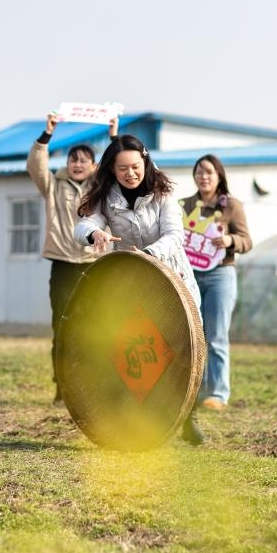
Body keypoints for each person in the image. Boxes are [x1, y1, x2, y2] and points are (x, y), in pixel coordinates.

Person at [74, 135, 205, 445]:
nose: (130, 173)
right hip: (131, 285)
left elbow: (175, 237)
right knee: (132, 347)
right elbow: (82, 226)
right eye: (122, 169)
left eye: (135, 166)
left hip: (174, 280)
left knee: (185, 347)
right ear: (111, 170)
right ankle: (135, 417)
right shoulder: (105, 196)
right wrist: (94, 233)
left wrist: (147, 256)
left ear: (145, 163)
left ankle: (189, 415)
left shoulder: (164, 193)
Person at [26, 112, 116, 404]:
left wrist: (114, 136)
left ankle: (91, 382)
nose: (77, 164)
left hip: (95, 265)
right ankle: (62, 386)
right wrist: (47, 134)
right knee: (63, 326)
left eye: (83, 160)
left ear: (94, 165)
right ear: (66, 164)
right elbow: (35, 166)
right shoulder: (53, 185)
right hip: (63, 264)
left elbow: (120, 166)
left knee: (93, 326)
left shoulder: (103, 187)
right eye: (72, 159)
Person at [180, 154, 252, 411]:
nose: (204, 176)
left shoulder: (231, 206)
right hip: (190, 275)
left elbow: (247, 241)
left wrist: (231, 240)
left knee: (217, 335)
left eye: (209, 172)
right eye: (199, 172)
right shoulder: (184, 205)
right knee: (190, 335)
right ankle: (192, 390)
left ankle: (218, 393)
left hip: (221, 274)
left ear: (219, 175)